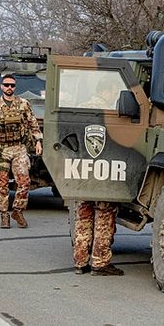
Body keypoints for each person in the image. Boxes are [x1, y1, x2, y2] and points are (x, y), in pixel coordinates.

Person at [71, 82, 124, 277]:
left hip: (83, 171)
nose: (113, 95)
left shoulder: (81, 107)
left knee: (83, 217)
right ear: (105, 91)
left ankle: (80, 261)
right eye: (112, 91)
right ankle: (100, 263)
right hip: (103, 171)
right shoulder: (109, 111)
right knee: (104, 216)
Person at [0, 74, 43, 229]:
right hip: (2, 149)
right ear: (1, 86)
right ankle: (4, 215)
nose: (9, 88)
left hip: (19, 148)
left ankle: (18, 210)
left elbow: (32, 123)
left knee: (24, 181)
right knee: (2, 184)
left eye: (12, 85)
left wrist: (38, 141)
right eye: (6, 85)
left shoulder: (23, 104)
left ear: (15, 87)